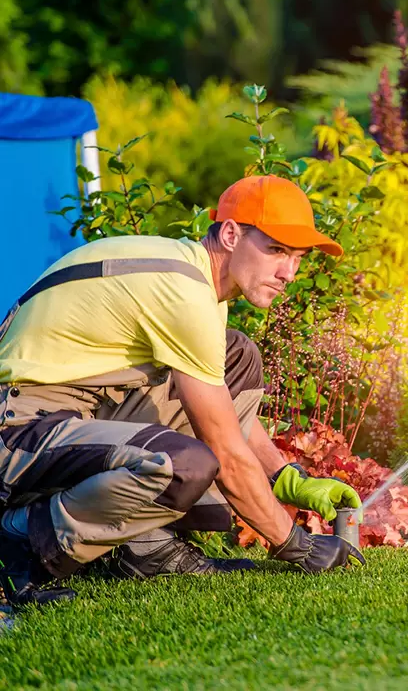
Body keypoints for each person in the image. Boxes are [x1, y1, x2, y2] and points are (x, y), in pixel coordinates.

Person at [0, 175, 365, 608]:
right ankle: (21, 540)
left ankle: (147, 548)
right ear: (231, 234)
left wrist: (285, 477)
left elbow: (224, 417)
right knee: (184, 467)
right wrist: (296, 544)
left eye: (298, 257)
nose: (289, 272)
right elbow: (225, 453)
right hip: (20, 427)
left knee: (237, 355)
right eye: (277, 251)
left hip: (77, 410)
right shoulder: (184, 293)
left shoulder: (195, 280)